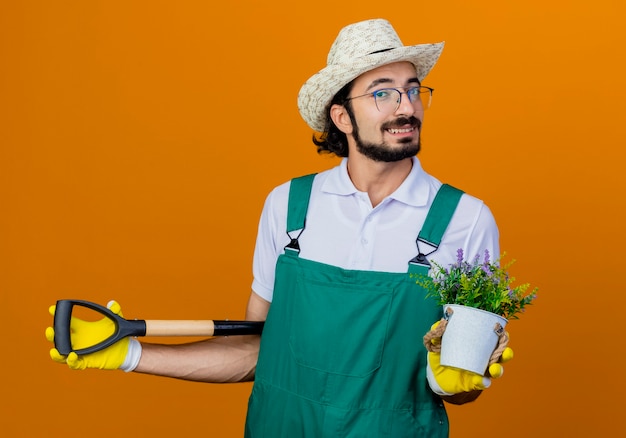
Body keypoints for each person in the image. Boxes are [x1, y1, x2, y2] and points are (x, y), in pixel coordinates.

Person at [46, 18, 512, 437]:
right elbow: (255, 351)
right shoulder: (289, 207)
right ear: (341, 116)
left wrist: (458, 380)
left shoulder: (465, 220)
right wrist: (128, 354)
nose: (405, 107)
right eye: (382, 92)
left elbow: (460, 388)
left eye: (413, 89)